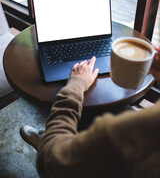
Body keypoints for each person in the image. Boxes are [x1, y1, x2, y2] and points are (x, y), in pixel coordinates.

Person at [20, 53, 160, 178]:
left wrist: (75, 85)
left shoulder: (137, 131)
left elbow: (51, 162)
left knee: (86, 111)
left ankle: (49, 140)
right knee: (103, 107)